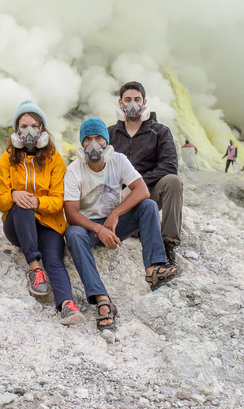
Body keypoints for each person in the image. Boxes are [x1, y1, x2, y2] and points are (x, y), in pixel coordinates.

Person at [65, 118, 180, 331]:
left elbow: (142, 190)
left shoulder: (118, 160)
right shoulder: (74, 170)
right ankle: (101, 299)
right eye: (87, 139)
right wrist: (98, 228)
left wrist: (116, 213)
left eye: (99, 138)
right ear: (81, 145)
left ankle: (153, 269)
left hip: (115, 223)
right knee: (72, 233)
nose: (93, 144)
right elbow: (71, 213)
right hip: (90, 229)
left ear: (107, 142)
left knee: (148, 206)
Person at [0, 100, 85, 326]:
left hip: (48, 224)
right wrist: (14, 195)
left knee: (54, 260)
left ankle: (67, 305)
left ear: (43, 130)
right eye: (23, 127)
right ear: (16, 131)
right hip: (17, 225)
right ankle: (35, 268)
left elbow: (58, 202)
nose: (29, 132)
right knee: (21, 202)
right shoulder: (7, 159)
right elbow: (0, 201)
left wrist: (37, 202)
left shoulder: (55, 159)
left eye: (34, 126)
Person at [108, 81, 182, 264]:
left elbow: (169, 166)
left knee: (173, 181)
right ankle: (137, 227)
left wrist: (137, 185)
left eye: (137, 99)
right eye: (128, 100)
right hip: (119, 199)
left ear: (144, 102)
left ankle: (168, 244)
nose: (132, 104)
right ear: (120, 103)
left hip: (149, 193)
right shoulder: (109, 134)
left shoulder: (160, 132)